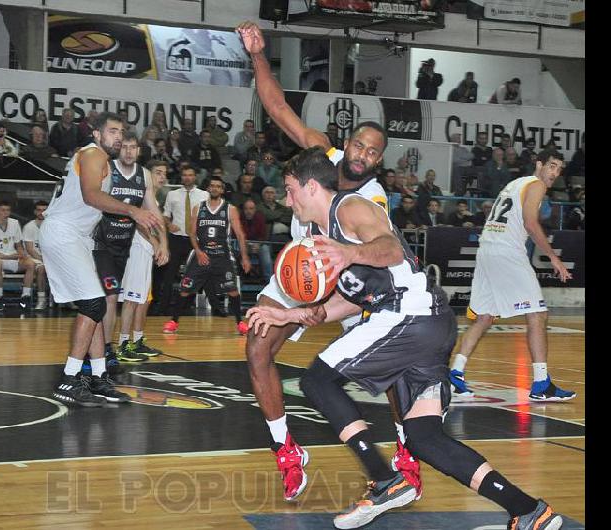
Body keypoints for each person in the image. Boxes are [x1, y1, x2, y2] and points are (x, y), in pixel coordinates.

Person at [246, 146, 565, 530]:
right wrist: (290, 314)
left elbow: (391, 249)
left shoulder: (350, 209)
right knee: (423, 438)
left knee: (317, 379)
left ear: (310, 186)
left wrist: (349, 253)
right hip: (427, 325)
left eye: (290, 188)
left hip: (407, 315)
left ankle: (385, 480)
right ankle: (528, 509)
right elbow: (344, 303)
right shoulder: (321, 234)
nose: (287, 198)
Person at [238, 21, 416, 504]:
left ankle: (405, 454)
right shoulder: (323, 155)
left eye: (374, 153)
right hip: (300, 272)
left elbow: (379, 254)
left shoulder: (372, 199)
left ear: (379, 162)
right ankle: (287, 450)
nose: (363, 155)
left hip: (348, 282)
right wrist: (259, 55)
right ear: (349, 143)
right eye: (360, 145)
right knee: (257, 350)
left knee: (390, 374)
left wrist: (338, 288)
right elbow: (277, 109)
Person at [40, 112, 160, 407]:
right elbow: (91, 196)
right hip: (63, 232)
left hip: (78, 236)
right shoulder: (93, 154)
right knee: (94, 304)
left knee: (93, 304)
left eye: (122, 132)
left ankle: (97, 376)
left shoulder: (102, 160)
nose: (119, 137)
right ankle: (69, 379)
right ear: (96, 134)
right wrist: (132, 211)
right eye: (113, 131)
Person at [450, 147, 576, 402]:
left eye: (559, 169)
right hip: (506, 252)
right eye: (551, 165)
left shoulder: (514, 183)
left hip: (487, 249)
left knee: (484, 317)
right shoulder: (536, 185)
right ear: (539, 164)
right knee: (538, 313)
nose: (555, 173)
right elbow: (531, 223)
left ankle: (454, 374)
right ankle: (541, 383)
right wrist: (553, 256)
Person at [92, 132, 168, 369]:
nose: (128, 151)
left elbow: (153, 211)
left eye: (132, 147)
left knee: (120, 298)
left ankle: (108, 347)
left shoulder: (143, 175)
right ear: (118, 149)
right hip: (101, 242)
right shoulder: (107, 168)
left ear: (138, 151)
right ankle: (105, 348)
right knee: (110, 297)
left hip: (125, 245)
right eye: (124, 146)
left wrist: (163, 242)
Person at [162, 175, 251, 334]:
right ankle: (173, 321)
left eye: (218, 186)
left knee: (232, 290)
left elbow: (240, 234)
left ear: (222, 190)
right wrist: (198, 251)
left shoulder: (230, 209)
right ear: (208, 188)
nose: (215, 188)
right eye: (212, 185)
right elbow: (191, 232)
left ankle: (240, 323)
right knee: (185, 289)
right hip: (201, 255)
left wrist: (244, 257)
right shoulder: (199, 207)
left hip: (222, 256)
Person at [118, 160, 171, 359]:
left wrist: (159, 243)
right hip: (137, 247)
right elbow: (138, 223)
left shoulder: (154, 200)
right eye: (157, 172)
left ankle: (137, 341)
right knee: (132, 299)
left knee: (142, 299)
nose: (162, 177)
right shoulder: (141, 195)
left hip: (145, 249)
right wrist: (156, 243)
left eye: (164, 173)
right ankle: (123, 345)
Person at [155, 165, 209, 316]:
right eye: (184, 175)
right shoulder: (172, 195)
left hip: (195, 239)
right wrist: (168, 224)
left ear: (195, 177)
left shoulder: (204, 195)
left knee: (192, 274)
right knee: (169, 274)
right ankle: (162, 307)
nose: (187, 178)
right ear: (181, 177)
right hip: (176, 238)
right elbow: (165, 215)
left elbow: (208, 216)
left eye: (190, 175)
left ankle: (187, 306)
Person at [0, 201, 37, 310]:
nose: (6, 213)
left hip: (12, 257)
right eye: (3, 210)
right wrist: (7, 257)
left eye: (8, 210)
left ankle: (25, 296)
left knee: (31, 264)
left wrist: (22, 253)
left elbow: (18, 245)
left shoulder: (15, 223)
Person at [22, 201, 50, 311]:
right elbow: (29, 249)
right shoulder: (29, 227)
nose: (41, 212)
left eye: (44, 210)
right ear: (35, 211)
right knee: (41, 269)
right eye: (39, 210)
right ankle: (41, 299)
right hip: (34, 258)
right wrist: (43, 259)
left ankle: (67, 300)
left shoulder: (52, 226)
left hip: (50, 259)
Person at [240, 199, 272, 281]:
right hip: (243, 244)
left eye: (251, 209)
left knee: (265, 249)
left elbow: (263, 235)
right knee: (236, 249)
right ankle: (239, 279)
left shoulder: (260, 217)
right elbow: (236, 235)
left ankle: (268, 281)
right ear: (243, 210)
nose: (248, 211)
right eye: (246, 209)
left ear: (255, 210)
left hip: (258, 244)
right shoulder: (239, 218)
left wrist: (258, 244)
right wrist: (245, 244)